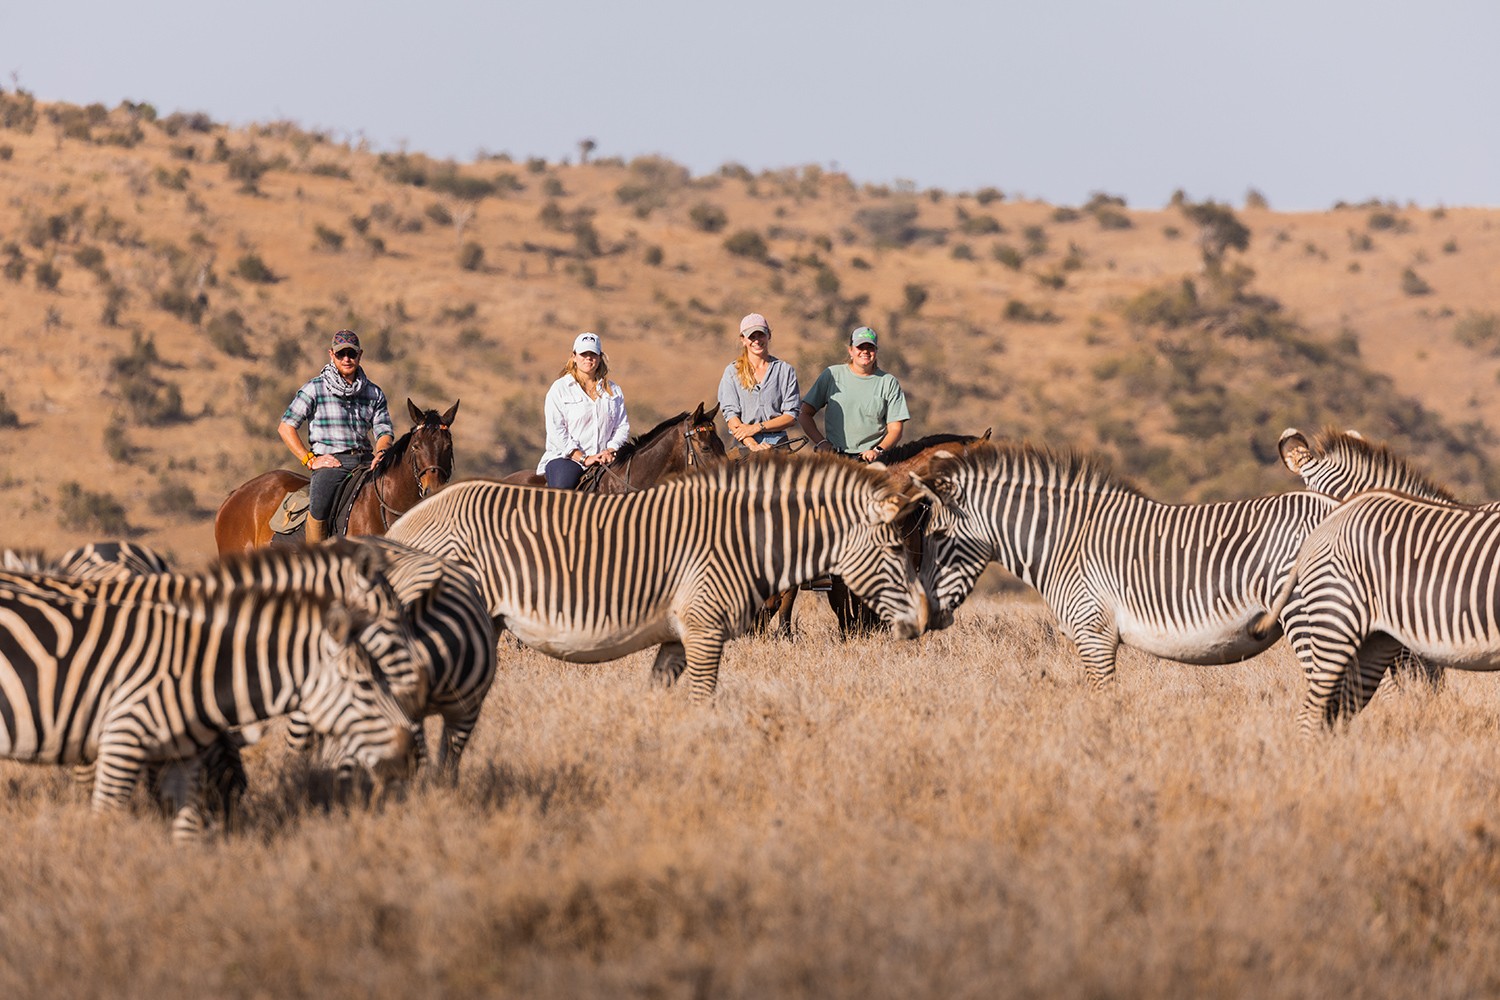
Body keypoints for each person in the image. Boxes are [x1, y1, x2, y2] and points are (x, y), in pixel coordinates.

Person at [279, 329, 395, 543]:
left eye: (351, 353)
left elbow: (384, 430)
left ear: (360, 355)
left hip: (366, 461)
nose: (347, 359)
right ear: (331, 355)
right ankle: (315, 560)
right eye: (341, 354)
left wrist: (382, 453)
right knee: (319, 505)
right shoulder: (315, 389)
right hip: (331, 464)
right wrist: (309, 459)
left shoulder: (374, 392)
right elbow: (286, 427)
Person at [797, 326, 910, 462]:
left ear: (876, 351)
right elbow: (804, 413)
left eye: (870, 348)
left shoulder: (888, 382)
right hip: (836, 458)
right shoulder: (832, 375)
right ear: (850, 350)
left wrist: (878, 450)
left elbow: (895, 429)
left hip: (872, 460)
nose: (865, 352)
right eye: (860, 347)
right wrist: (821, 443)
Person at [537, 332, 630, 489]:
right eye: (583, 354)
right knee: (563, 493)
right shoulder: (559, 389)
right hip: (567, 459)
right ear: (574, 356)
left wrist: (610, 450)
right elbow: (556, 431)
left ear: (599, 357)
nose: (588, 358)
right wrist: (583, 459)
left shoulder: (614, 391)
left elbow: (622, 427)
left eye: (592, 354)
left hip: (605, 459)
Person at [717, 313, 801, 453]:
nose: (756, 341)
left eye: (760, 335)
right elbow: (731, 418)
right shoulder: (732, 372)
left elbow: (790, 416)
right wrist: (752, 444)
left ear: (769, 336)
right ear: (743, 339)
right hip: (744, 444)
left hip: (779, 444)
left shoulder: (785, 371)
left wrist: (757, 427)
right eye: (752, 336)